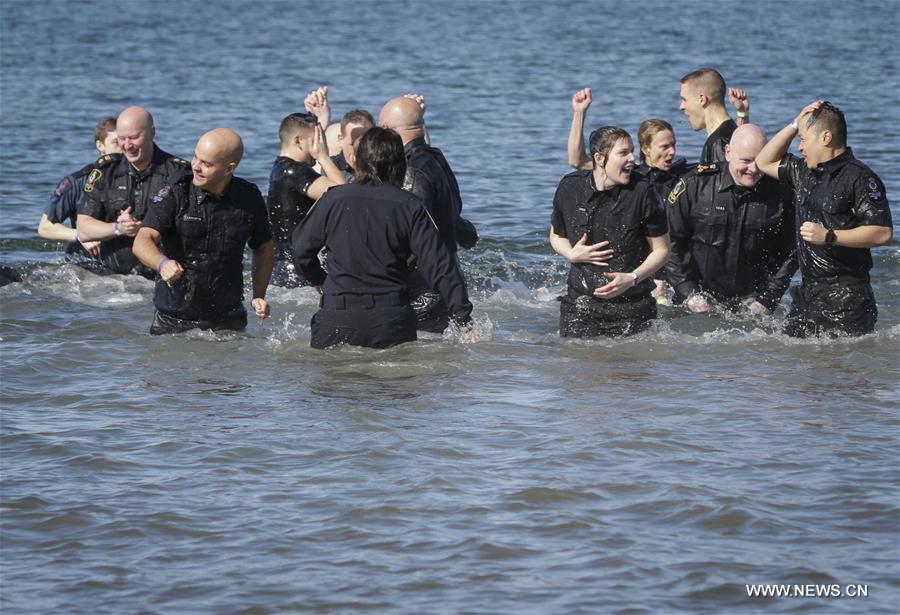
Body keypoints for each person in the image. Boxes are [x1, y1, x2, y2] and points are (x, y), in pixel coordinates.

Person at [291, 127, 475, 349]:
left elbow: (301, 250)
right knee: (394, 372)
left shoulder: (332, 200)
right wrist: (463, 318)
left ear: (355, 160)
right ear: (402, 165)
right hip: (390, 321)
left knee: (332, 371)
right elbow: (440, 265)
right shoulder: (411, 206)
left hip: (337, 318)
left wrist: (319, 279)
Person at [756, 101, 893, 337]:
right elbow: (763, 161)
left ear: (826, 138)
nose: (799, 147)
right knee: (789, 356)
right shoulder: (803, 172)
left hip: (847, 300)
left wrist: (829, 236)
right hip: (807, 296)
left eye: (803, 139)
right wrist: (795, 123)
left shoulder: (859, 178)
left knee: (840, 360)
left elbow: (882, 233)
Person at [132, 128, 274, 335]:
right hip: (172, 319)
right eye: (195, 157)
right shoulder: (175, 191)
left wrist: (259, 295)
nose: (195, 166)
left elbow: (263, 248)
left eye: (206, 164)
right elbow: (142, 240)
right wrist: (162, 263)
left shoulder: (249, 198)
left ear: (229, 168)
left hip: (228, 318)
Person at [550, 126, 670, 337]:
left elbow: (662, 250)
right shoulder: (570, 187)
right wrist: (571, 254)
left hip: (633, 307)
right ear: (599, 158)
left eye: (632, 151)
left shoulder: (643, 191)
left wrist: (632, 278)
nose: (632, 159)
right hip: (580, 306)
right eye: (623, 153)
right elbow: (556, 235)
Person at [665, 124, 796, 314]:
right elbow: (670, 241)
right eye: (746, 161)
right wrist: (688, 293)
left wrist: (767, 298)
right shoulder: (695, 185)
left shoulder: (782, 193)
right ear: (728, 153)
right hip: (696, 300)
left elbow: (791, 251)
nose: (753, 169)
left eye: (759, 160)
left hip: (753, 303)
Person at [378, 94, 478, 332]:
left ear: (386, 129)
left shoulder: (411, 172)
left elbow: (415, 236)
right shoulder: (435, 159)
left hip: (423, 288)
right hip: (445, 278)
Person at [76, 106, 190, 276]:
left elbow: (191, 228)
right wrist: (119, 228)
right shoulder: (106, 171)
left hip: (160, 274)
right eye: (121, 139)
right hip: (110, 278)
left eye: (134, 138)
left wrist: (146, 228)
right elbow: (83, 229)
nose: (127, 145)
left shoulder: (178, 173)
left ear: (152, 133)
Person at [266, 112, 345, 287]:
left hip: (282, 269)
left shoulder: (279, 168)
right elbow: (343, 196)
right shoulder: (295, 172)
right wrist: (324, 157)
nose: (320, 146)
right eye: (315, 141)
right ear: (298, 141)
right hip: (301, 272)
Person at [37, 117, 121, 263]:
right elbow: (45, 227)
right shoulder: (76, 182)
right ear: (100, 145)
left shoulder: (140, 179)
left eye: (125, 141)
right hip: (83, 264)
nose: (123, 148)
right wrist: (81, 235)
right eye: (116, 142)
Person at [678, 68, 751, 164]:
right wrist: (742, 113)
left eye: (684, 99)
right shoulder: (732, 129)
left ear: (702, 100)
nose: (681, 107)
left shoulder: (717, 143)